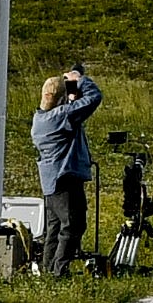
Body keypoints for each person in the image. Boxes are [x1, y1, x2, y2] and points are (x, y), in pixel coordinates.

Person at [29, 66, 102, 278]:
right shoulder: (61, 117)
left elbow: (68, 108)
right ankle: (60, 272)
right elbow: (94, 98)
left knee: (55, 227)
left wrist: (69, 93)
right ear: (60, 99)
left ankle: (49, 270)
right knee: (73, 225)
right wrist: (79, 80)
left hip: (51, 182)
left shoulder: (41, 118)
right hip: (65, 178)